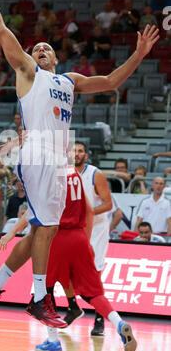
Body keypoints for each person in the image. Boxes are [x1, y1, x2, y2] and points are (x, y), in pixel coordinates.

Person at [0, 0, 159, 328]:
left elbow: (112, 81)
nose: (40, 50)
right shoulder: (27, 73)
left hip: (56, 159)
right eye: (35, 48)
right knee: (47, 228)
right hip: (36, 152)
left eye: (46, 47)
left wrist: (140, 54)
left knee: (40, 229)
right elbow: (0, 28)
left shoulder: (70, 81)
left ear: (57, 58)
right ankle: (38, 297)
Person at [0, 166, 137, 351]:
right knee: (94, 292)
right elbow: (89, 210)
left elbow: (32, 211)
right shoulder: (74, 174)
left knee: (45, 290)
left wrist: (12, 232)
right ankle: (118, 322)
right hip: (79, 237)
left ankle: (53, 339)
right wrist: (85, 240)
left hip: (55, 237)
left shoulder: (46, 173)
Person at [72, 141, 113, 336]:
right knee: (66, 272)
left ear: (86, 155)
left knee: (95, 274)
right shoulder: (65, 174)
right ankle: (74, 308)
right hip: (75, 229)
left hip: (96, 228)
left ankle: (99, 319)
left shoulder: (95, 174)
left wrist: (86, 214)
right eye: (74, 151)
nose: (77, 154)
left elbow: (108, 204)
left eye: (80, 151)